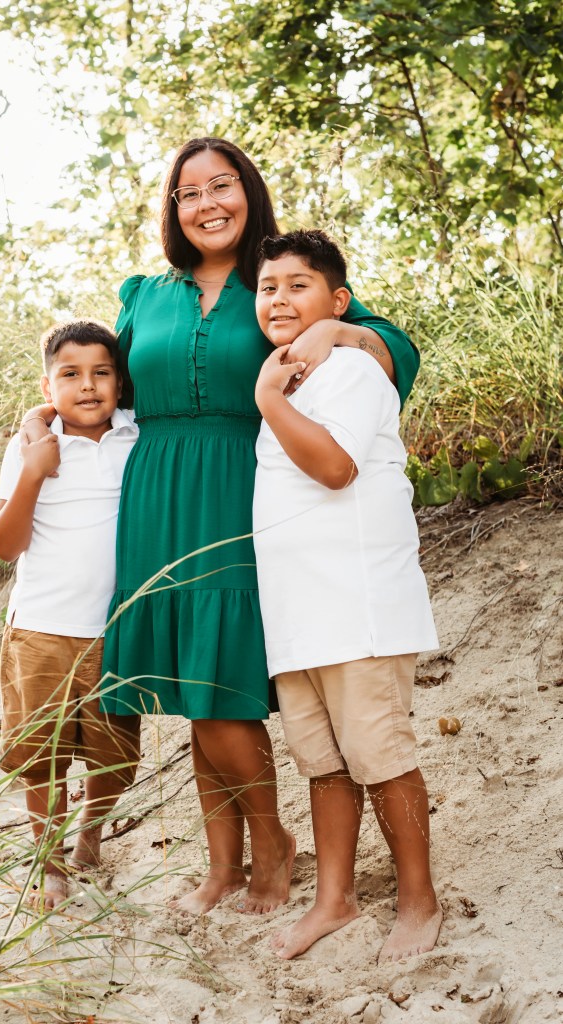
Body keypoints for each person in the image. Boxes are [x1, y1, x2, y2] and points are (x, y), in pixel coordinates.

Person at [22, 137, 421, 916]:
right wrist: (41, 413)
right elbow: (95, 378)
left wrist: (336, 333)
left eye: (221, 186)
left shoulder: (277, 280)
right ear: (172, 209)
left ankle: (271, 847)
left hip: (242, 491)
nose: (206, 204)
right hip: (154, 498)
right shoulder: (144, 291)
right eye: (187, 193)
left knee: (221, 691)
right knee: (187, 691)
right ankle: (221, 864)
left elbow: (394, 349)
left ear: (249, 192)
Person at [252, 229, 441, 962]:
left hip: (358, 608)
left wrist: (268, 397)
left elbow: (333, 468)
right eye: (268, 287)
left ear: (338, 301)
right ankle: (333, 899)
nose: (279, 298)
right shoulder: (292, 378)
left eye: (298, 285)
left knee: (379, 754)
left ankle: (418, 898)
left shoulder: (355, 372)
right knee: (323, 764)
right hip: (298, 615)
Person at [0, 320, 140, 909]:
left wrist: (36, 417)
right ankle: (48, 864)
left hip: (116, 628)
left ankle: (90, 837)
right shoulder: (29, 446)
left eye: (102, 373)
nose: (87, 386)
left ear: (122, 383)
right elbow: (5, 544)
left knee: (112, 752)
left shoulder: (136, 434)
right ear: (48, 387)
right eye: (70, 375)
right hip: (42, 628)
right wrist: (33, 466)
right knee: (41, 756)